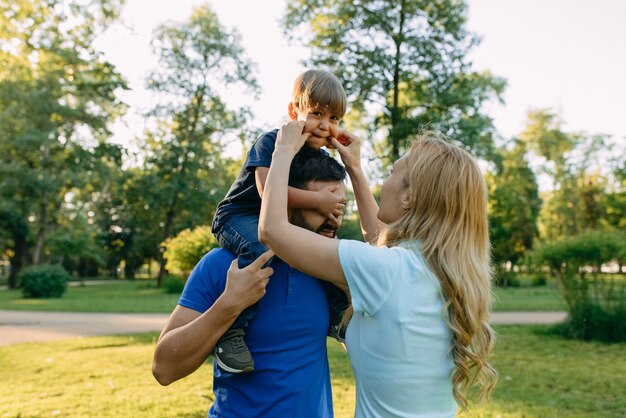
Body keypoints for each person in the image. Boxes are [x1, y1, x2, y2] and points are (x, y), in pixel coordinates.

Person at [259, 122, 498, 417]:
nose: (384, 183)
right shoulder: (443, 272)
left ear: (409, 197)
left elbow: (272, 230)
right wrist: (355, 169)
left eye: (391, 174)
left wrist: (282, 150)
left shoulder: (388, 271)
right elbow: (382, 245)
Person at [152, 149, 348, 417]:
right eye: (320, 208)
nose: (334, 218)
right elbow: (164, 368)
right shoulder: (222, 265)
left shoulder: (333, 270)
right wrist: (230, 303)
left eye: (339, 207)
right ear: (286, 204)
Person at [210, 69, 349, 373]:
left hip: (277, 221)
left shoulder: (316, 156)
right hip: (238, 215)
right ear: (292, 111)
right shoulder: (272, 141)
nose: (325, 126)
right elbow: (265, 189)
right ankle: (231, 331)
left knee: (330, 248)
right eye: (316, 114)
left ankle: (338, 317)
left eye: (334, 118)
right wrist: (317, 201)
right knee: (262, 248)